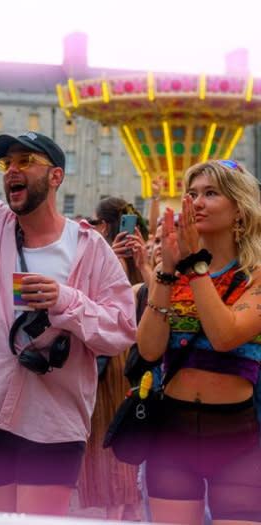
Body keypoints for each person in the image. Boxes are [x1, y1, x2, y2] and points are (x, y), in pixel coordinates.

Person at [0, 122, 136, 516]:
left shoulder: (90, 248)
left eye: (26, 160)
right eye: (6, 162)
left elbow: (122, 328)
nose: (11, 169)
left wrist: (66, 301)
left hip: (52, 422)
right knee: (0, 521)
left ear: (56, 176)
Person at [136, 159, 261, 525]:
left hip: (239, 442)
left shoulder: (254, 274)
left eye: (211, 193)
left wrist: (194, 266)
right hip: (171, 438)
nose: (197, 202)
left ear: (239, 208)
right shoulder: (173, 270)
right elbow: (148, 349)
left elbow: (225, 337)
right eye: (192, 194)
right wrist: (166, 272)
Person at [76, 197, 145, 520]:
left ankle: (115, 510)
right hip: (134, 357)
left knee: (108, 434)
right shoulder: (139, 257)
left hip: (109, 357)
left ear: (104, 225)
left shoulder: (101, 258)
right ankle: (127, 507)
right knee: (126, 431)